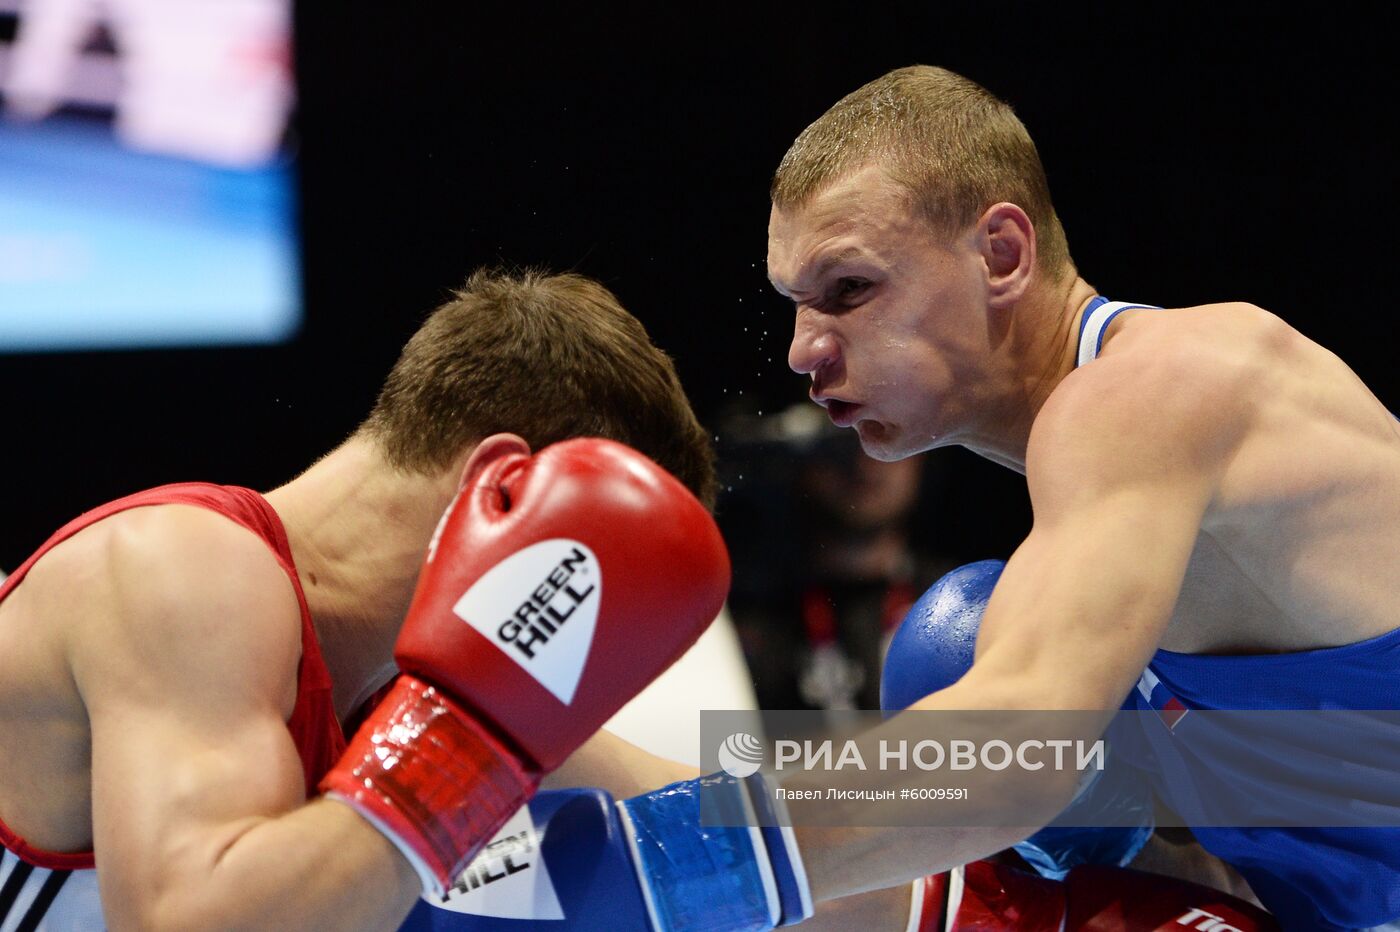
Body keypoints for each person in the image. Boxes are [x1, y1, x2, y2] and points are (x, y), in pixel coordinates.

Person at [756, 65, 1400, 930]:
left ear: (1002, 254)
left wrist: (668, 849)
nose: (804, 350)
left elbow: (1011, 753)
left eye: (849, 290)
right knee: (954, 655)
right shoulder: (1104, 500)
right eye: (796, 305)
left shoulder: (1162, 385)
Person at [0, 267, 730, 930]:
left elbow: (729, 810)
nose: (582, 628)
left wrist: (847, 769)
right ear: (499, 485)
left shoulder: (403, 683)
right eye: (586, 579)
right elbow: (189, 923)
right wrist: (463, 748)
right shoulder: (184, 571)